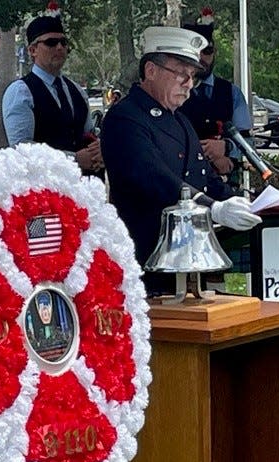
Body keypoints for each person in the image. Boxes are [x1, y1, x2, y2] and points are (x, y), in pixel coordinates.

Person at [101, 26, 262, 296]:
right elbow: (154, 178)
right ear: (151, 70)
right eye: (180, 74)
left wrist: (246, 205)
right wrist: (212, 208)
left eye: (192, 77)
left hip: (187, 266)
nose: (188, 84)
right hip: (145, 261)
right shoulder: (125, 117)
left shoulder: (180, 121)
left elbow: (206, 178)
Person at [2, 6, 103, 179]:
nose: (59, 48)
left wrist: (99, 149)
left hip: (82, 189)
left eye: (64, 43)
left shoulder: (77, 90)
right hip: (43, 190)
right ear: (32, 50)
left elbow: (88, 134)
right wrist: (74, 159)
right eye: (51, 43)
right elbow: (22, 149)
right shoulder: (21, 92)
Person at [179, 8, 253, 186]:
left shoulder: (231, 93)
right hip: (184, 184)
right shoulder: (173, 91)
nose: (202, 58)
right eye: (197, 52)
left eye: (208, 51)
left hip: (225, 185)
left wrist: (226, 148)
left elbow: (248, 142)